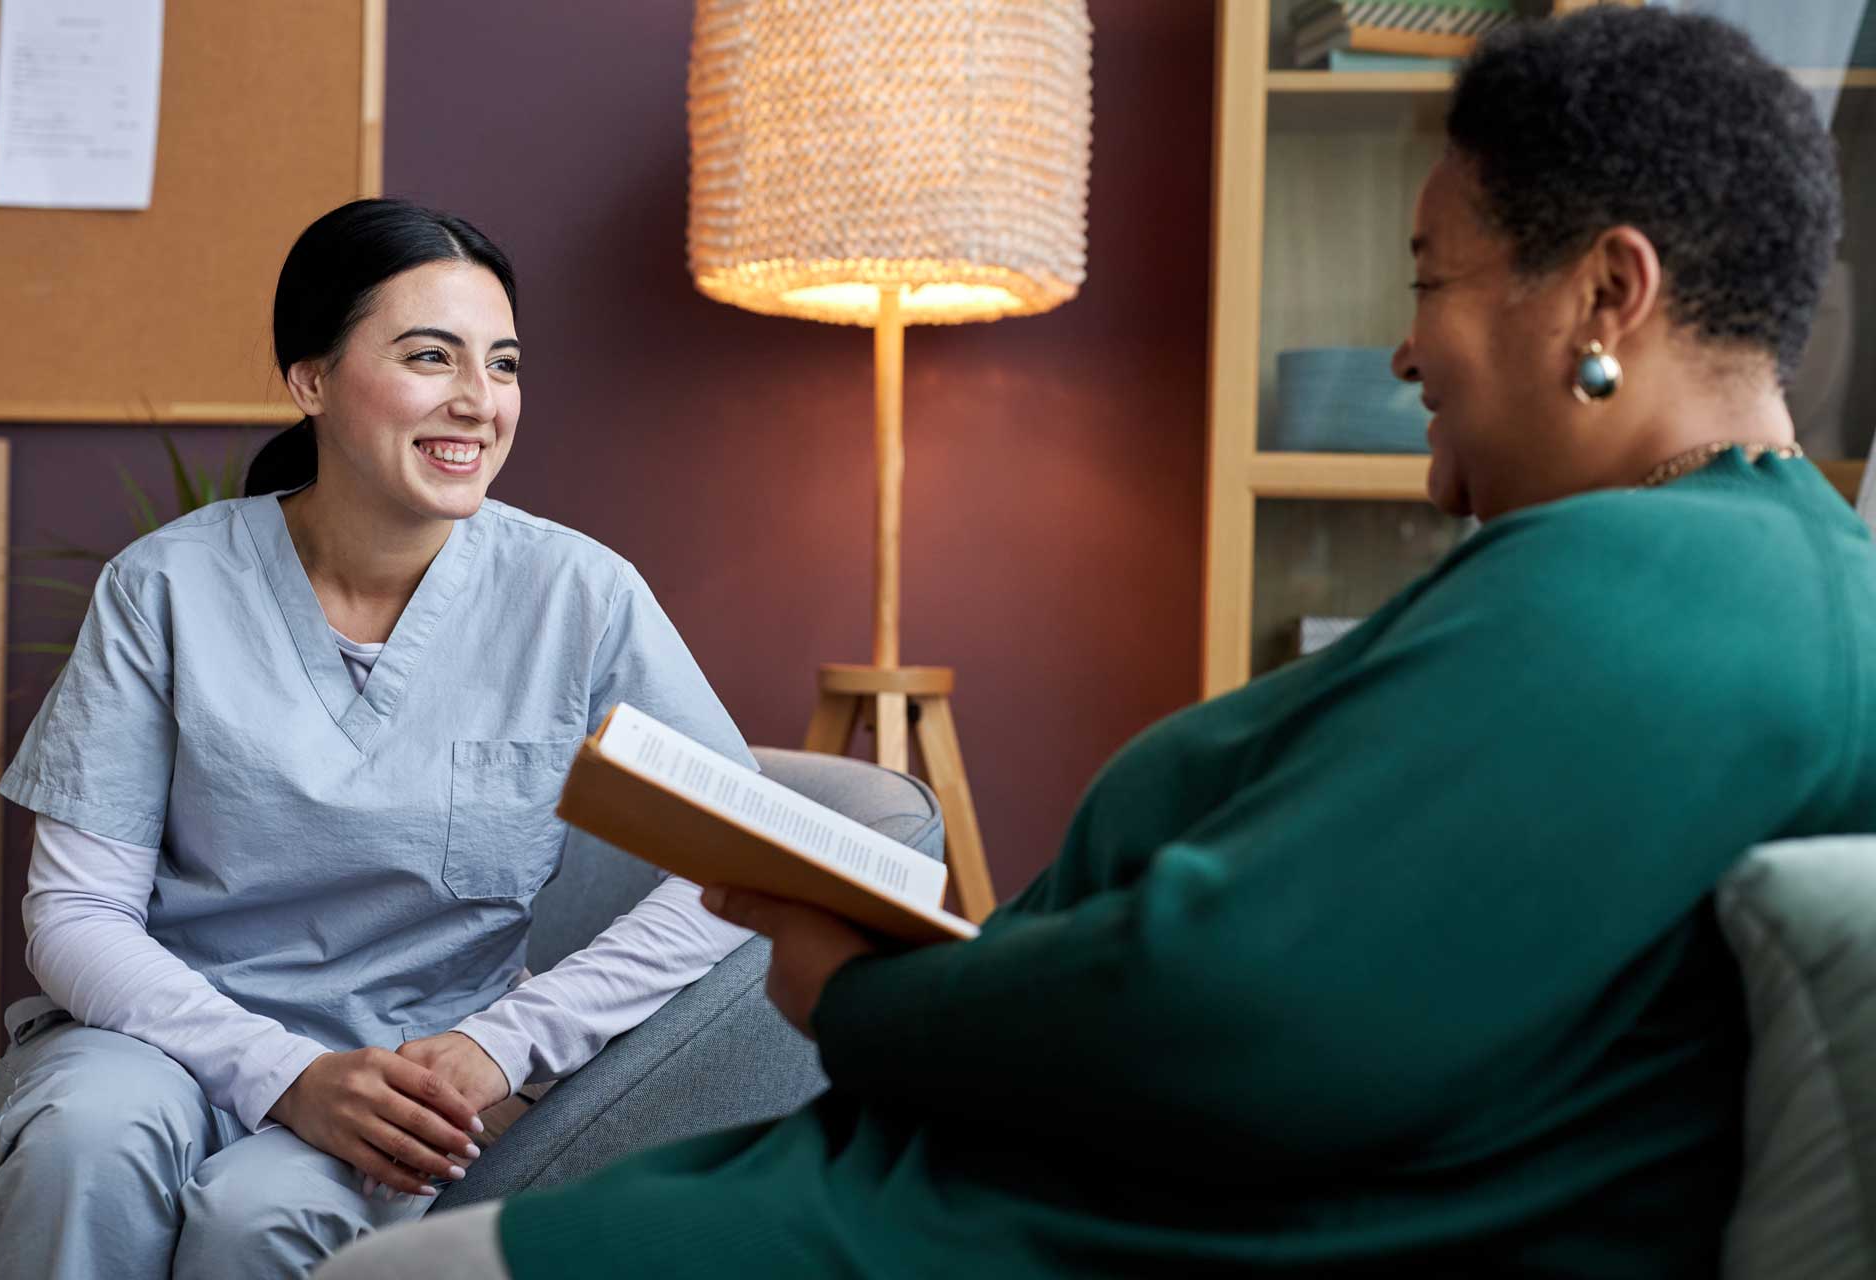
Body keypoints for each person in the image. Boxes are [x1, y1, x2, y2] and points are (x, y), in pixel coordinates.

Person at [322, 8, 1873, 1278]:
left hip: (1081, 1226)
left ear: (1609, 293)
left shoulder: (1632, 597)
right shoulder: (1777, 570)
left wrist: (856, 996)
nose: (1405, 345)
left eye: (1430, 281)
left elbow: (1247, 1012)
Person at [0, 200, 756, 1279]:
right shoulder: (165, 586)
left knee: (263, 1218)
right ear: (311, 379)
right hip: (155, 1036)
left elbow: (738, 854)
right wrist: (282, 1069)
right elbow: (74, 911)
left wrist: (508, 1041)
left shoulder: (577, 594)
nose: (479, 402)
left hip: (411, 1073)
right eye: (430, 356)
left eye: (504, 363)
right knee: (80, 1138)